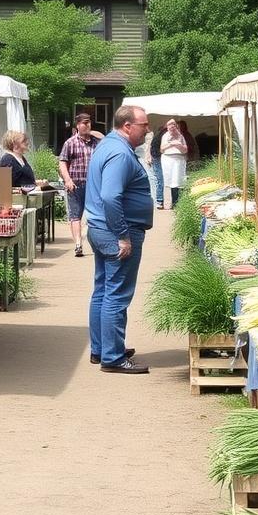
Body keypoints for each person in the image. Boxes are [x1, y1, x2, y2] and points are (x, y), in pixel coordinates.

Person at [85, 105, 154, 374]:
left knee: (103, 290)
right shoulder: (119, 154)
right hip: (115, 232)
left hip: (101, 228)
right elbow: (111, 196)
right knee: (116, 294)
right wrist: (124, 236)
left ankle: (101, 349)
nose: (147, 130)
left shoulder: (108, 146)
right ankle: (112, 357)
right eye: (144, 125)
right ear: (127, 126)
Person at [59, 113, 100, 257]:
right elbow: (62, 162)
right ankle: (78, 244)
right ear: (77, 125)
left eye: (89, 123)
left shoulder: (97, 142)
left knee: (95, 216)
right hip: (75, 185)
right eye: (84, 123)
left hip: (93, 185)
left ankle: (97, 244)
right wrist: (67, 180)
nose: (87, 125)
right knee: (75, 216)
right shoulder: (70, 143)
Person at [160, 119, 189, 208]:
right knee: (170, 181)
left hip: (178, 159)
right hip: (168, 160)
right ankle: (171, 203)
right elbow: (161, 149)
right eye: (170, 126)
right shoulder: (165, 136)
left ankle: (178, 203)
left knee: (178, 181)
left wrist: (178, 145)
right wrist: (171, 144)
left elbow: (185, 150)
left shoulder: (180, 136)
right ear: (167, 128)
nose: (172, 128)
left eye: (173, 126)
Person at [148, 122, 165, 208]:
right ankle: (159, 200)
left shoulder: (158, 135)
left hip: (156, 157)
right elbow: (152, 147)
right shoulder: (162, 136)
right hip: (157, 157)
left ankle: (159, 199)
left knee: (157, 179)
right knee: (159, 179)